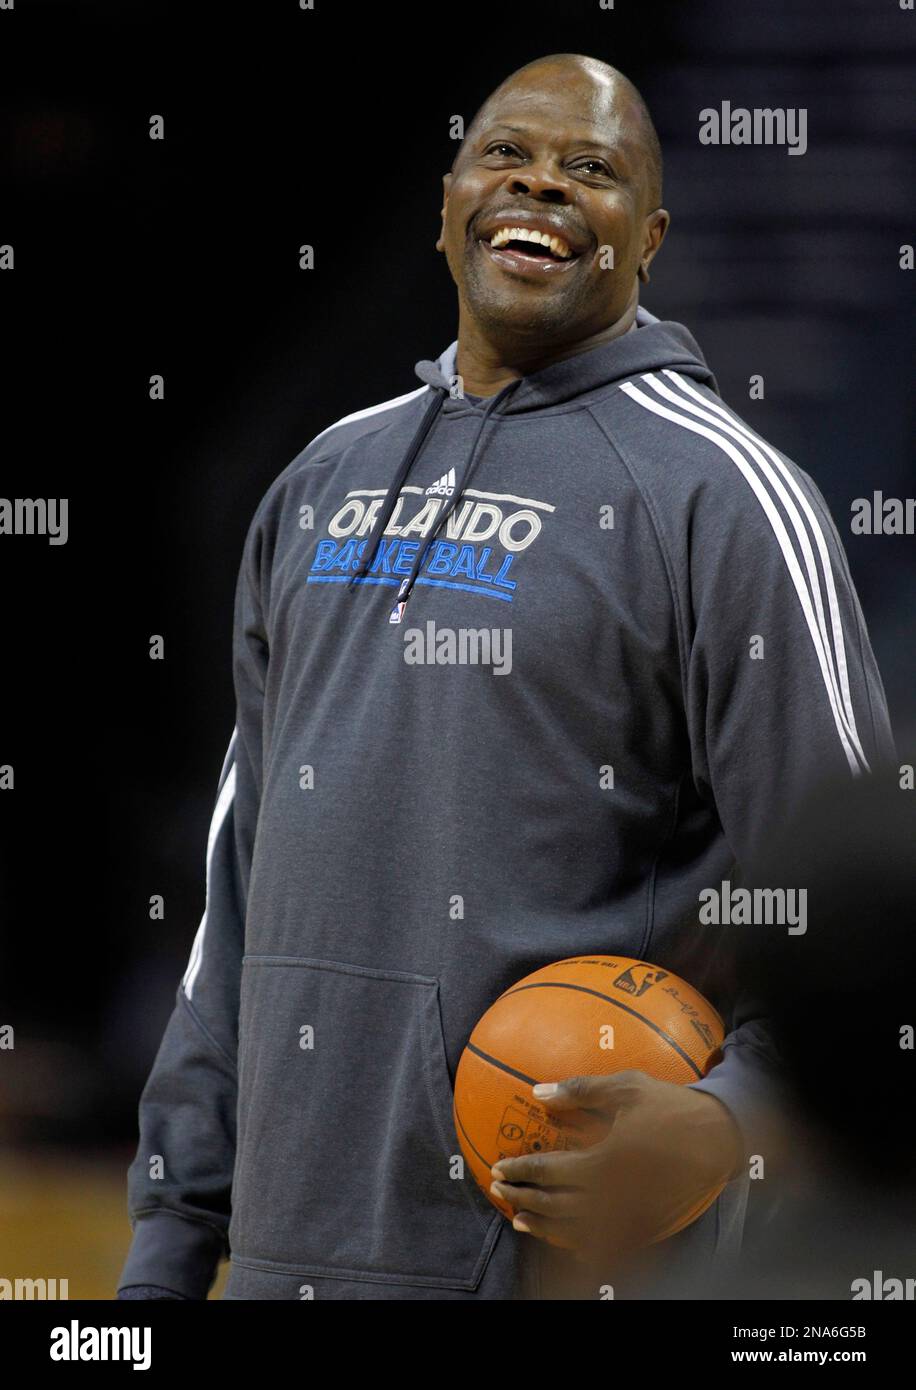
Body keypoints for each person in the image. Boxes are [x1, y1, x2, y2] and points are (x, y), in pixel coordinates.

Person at [117, 53, 896, 1301]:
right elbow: (238, 900)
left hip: (564, 1263)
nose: (539, 183)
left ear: (648, 239)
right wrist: (170, 1239)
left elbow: (863, 918)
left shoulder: (730, 501)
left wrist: (730, 1120)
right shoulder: (318, 481)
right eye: (506, 155)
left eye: (591, 168)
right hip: (280, 1260)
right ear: (444, 204)